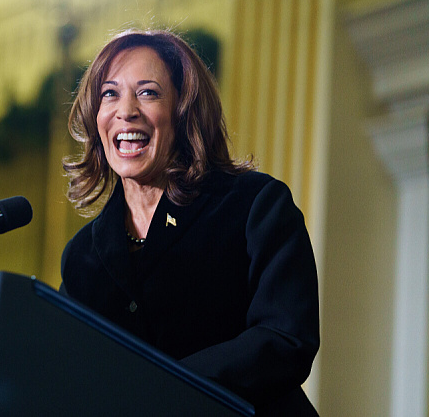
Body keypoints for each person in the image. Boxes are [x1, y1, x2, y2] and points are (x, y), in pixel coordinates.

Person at [59, 29, 319, 416]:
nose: (125, 110)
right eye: (109, 94)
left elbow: (284, 339)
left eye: (148, 92)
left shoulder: (253, 205)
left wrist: (163, 389)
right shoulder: (81, 257)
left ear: (184, 111)